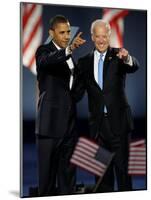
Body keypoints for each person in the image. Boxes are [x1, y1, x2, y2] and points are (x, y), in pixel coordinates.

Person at [73, 19, 139, 192]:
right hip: (98, 129)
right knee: (101, 178)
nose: (101, 40)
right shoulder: (84, 62)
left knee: (123, 175)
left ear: (109, 36)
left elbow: (134, 66)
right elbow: (77, 93)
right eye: (98, 36)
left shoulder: (119, 55)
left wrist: (127, 58)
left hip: (119, 126)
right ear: (93, 37)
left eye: (105, 36)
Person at [35, 15, 86, 196]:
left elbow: (73, 91)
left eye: (68, 32)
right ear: (52, 33)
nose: (66, 36)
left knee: (68, 182)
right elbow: (46, 62)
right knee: (47, 183)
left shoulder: (71, 57)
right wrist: (69, 49)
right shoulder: (44, 51)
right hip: (49, 127)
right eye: (62, 32)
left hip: (70, 128)